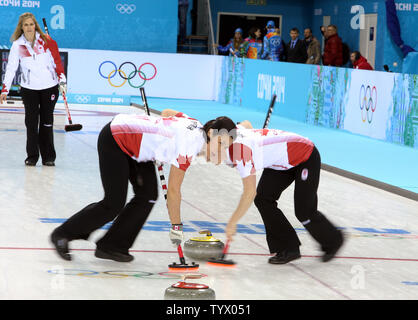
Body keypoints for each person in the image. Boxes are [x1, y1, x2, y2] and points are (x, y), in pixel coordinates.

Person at [170, 116, 344, 265]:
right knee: (263, 199)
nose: (206, 157)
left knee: (304, 211)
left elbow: (249, 192)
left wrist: (232, 222)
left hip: (304, 155)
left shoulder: (241, 152)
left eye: (209, 154)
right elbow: (245, 123)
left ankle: (334, 240)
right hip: (280, 162)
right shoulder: (230, 134)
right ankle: (289, 248)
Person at [50, 110, 206, 262]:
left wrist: (158, 138)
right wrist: (176, 227)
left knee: (148, 195)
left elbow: (166, 113)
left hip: (137, 147)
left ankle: (112, 246)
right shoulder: (188, 148)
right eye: (221, 145)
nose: (220, 153)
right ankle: (62, 234)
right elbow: (173, 191)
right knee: (113, 203)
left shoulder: (196, 124)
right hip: (115, 138)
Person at [0, 12, 66, 167]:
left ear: (35, 25)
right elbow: (11, 68)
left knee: (47, 122)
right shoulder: (18, 45)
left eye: (31, 24)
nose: (29, 27)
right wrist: (5, 89)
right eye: (25, 25)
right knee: (31, 123)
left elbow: (56, 60)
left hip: (49, 87)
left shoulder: (45, 41)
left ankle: (48, 157)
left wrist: (62, 79)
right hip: (29, 89)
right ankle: (32, 156)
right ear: (21, 27)